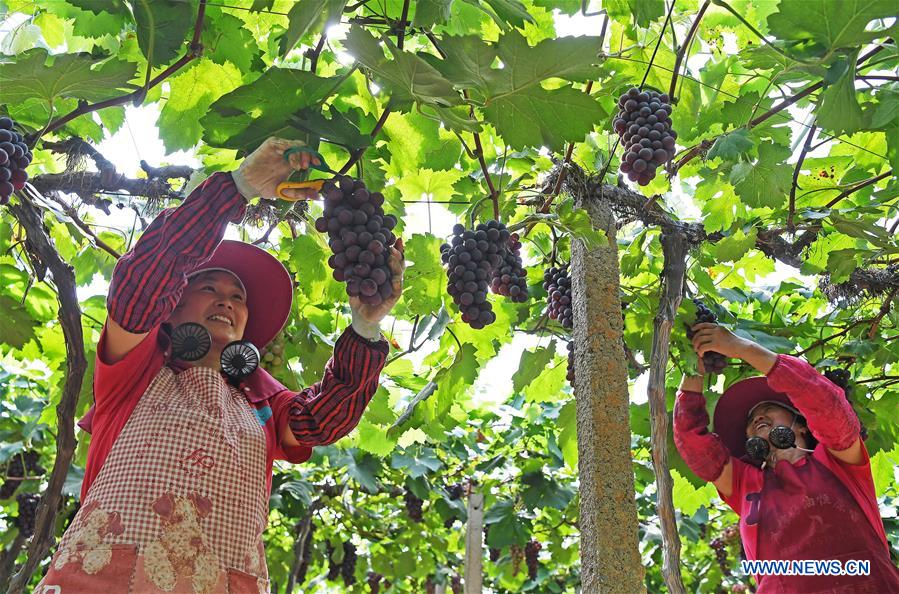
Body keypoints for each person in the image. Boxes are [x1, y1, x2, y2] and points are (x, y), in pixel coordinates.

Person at [36, 137, 405, 594]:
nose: (226, 301)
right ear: (172, 305)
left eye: (238, 297)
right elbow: (141, 286)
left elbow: (323, 420)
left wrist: (366, 327)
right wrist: (238, 186)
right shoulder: (137, 369)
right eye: (209, 287)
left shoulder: (265, 406)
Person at [673, 322, 899, 593]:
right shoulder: (746, 483)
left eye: (768, 408)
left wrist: (741, 348)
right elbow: (691, 440)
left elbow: (826, 404)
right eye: (751, 420)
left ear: (801, 424)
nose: (757, 417)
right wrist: (694, 361)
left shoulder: (836, 460)